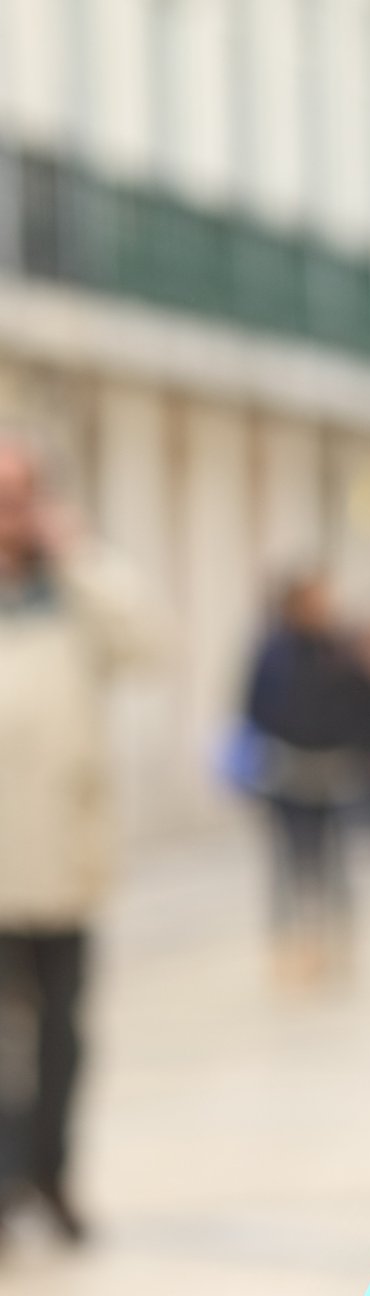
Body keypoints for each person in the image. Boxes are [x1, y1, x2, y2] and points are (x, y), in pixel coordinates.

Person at [0, 430, 153, 1246]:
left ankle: (50, 1176)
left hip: (60, 859)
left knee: (61, 1033)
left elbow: (148, 643)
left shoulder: (74, 592)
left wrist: (78, 552)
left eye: (19, 496)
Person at [242, 574, 370, 979]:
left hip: (336, 769)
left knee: (336, 865)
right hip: (291, 769)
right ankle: (292, 951)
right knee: (290, 865)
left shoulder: (343, 649)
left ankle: (335, 949)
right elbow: (256, 706)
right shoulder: (274, 651)